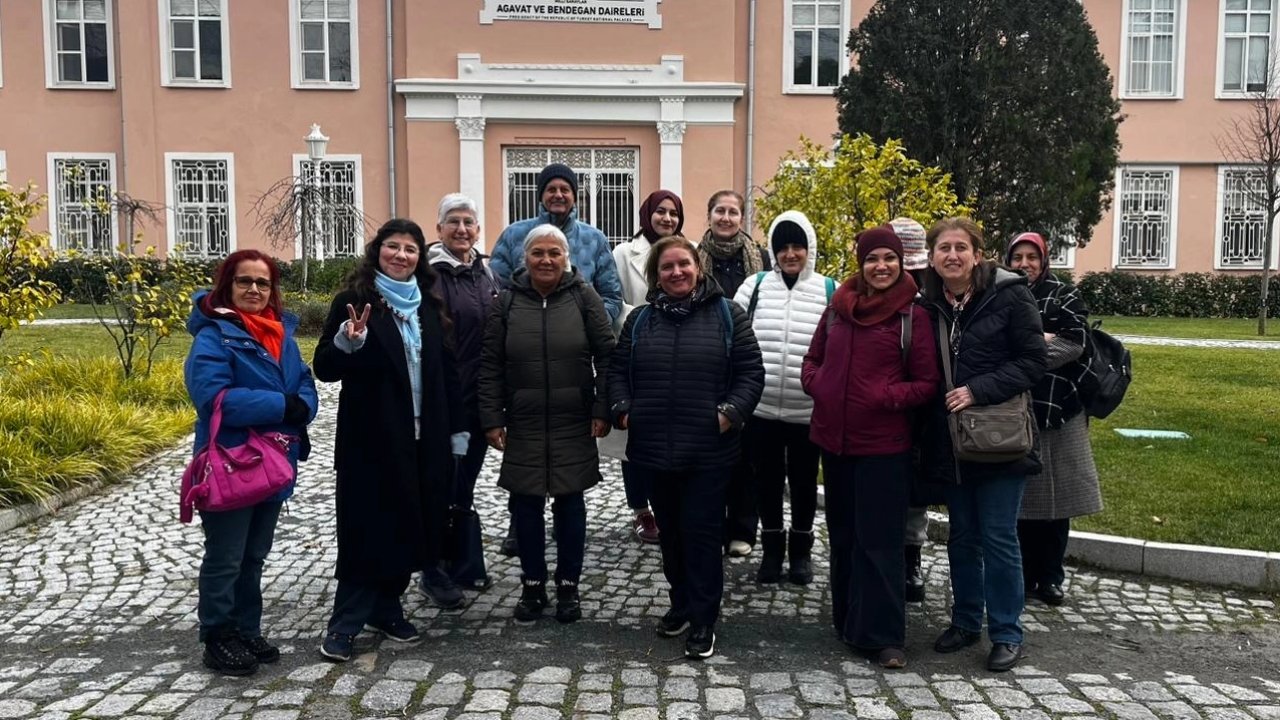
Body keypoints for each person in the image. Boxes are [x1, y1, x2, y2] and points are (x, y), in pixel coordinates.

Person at [313, 219, 468, 663]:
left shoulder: (428, 306)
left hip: (426, 437)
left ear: (421, 258)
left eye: (411, 249)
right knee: (367, 529)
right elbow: (324, 366)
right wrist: (349, 341)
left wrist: (457, 432)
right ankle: (345, 623)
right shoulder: (354, 301)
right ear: (377, 251)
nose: (401, 255)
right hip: (372, 440)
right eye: (393, 247)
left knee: (412, 524)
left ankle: (387, 607)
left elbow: (448, 374)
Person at [608, 235, 764, 660]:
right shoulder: (641, 320)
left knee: (701, 535)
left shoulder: (726, 314)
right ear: (655, 275)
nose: (676, 272)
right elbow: (618, 372)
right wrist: (623, 411)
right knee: (672, 537)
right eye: (666, 267)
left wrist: (728, 414)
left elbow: (750, 373)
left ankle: (703, 619)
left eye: (684, 264)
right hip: (654, 451)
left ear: (698, 267)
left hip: (709, 453)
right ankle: (680, 603)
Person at [802, 226, 939, 669]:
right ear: (860, 265)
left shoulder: (911, 317)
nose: (881, 266)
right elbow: (812, 359)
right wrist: (818, 385)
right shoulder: (838, 310)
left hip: (884, 446)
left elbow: (927, 383)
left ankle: (884, 637)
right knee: (843, 538)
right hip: (834, 441)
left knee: (879, 542)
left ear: (901, 263)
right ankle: (848, 621)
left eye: (889, 258)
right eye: (872, 259)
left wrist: (886, 396)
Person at [920, 217, 1046, 673]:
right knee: (962, 536)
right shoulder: (930, 302)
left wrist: (978, 389)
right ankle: (966, 621)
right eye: (943, 248)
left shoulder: (1010, 294)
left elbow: (1034, 361)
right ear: (932, 256)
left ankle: (1007, 632)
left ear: (977, 252)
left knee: (998, 536)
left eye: (960, 247)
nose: (952, 255)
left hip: (999, 436)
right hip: (952, 439)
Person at [184, 249, 318, 676]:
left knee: (255, 554)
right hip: (231, 462)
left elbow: (304, 385)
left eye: (263, 283)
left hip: (274, 460)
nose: (255, 290)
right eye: (245, 281)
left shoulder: (282, 334)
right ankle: (217, 635)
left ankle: (246, 627)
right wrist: (283, 405)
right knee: (226, 555)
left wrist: (302, 408)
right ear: (229, 286)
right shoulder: (214, 337)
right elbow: (215, 398)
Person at [478, 224, 616, 623]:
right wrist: (491, 417)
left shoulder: (583, 296)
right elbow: (490, 364)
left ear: (566, 257)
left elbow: (607, 355)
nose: (546, 260)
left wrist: (602, 408)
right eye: (538, 252)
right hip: (523, 420)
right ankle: (533, 585)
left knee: (571, 504)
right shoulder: (506, 301)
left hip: (574, 418)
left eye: (554, 252)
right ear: (526, 258)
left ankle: (568, 587)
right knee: (526, 505)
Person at [489, 162, 625, 556]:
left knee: (570, 478)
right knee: (524, 471)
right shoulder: (515, 235)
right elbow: (496, 289)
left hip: (572, 369)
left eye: (566, 188)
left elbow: (612, 294)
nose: (558, 195)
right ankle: (520, 529)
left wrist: (580, 318)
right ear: (541, 194)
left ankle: (568, 562)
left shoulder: (595, 239)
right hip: (524, 375)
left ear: (575, 195)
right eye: (551, 189)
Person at [732, 211, 833, 585]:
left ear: (809, 249)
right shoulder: (754, 286)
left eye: (797, 246)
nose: (791, 254)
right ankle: (772, 551)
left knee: (805, 483)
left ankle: (801, 554)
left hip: (807, 411)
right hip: (760, 410)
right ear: (774, 251)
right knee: (767, 483)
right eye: (783, 247)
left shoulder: (828, 290)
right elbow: (733, 337)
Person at [1006, 232, 1102, 607]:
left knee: (1056, 500)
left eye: (1032, 257)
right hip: (1015, 409)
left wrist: (1024, 358)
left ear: (1044, 260)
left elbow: (1074, 342)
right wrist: (1039, 342)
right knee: (1020, 498)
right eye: (1018, 257)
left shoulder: (1064, 294)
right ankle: (1024, 573)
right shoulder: (1001, 294)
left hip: (1059, 408)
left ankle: (1050, 576)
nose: (1024, 264)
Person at [427, 193, 502, 593]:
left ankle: (461, 559)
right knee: (442, 480)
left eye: (469, 222)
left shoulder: (486, 273)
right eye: (453, 221)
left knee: (465, 480)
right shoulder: (429, 275)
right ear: (439, 228)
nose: (462, 229)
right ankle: (436, 567)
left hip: (479, 398)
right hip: (442, 398)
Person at [698, 189, 772, 557]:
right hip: (705, 365)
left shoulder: (761, 258)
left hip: (745, 364)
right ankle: (709, 526)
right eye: (719, 211)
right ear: (709, 215)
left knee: (747, 456)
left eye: (733, 212)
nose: (726, 218)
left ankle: (743, 528)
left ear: (743, 219)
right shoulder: (693, 258)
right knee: (709, 452)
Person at [611, 189, 685, 545]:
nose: (667, 218)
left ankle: (671, 504)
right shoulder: (624, 253)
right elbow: (615, 300)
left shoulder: (689, 251)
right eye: (661, 212)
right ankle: (641, 510)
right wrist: (646, 320)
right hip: (638, 350)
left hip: (680, 354)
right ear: (647, 214)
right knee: (635, 436)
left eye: (673, 213)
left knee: (671, 432)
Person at [890, 216, 935, 604]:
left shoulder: (932, 303)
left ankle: (910, 559)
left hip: (923, 410)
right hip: (882, 412)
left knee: (915, 496)